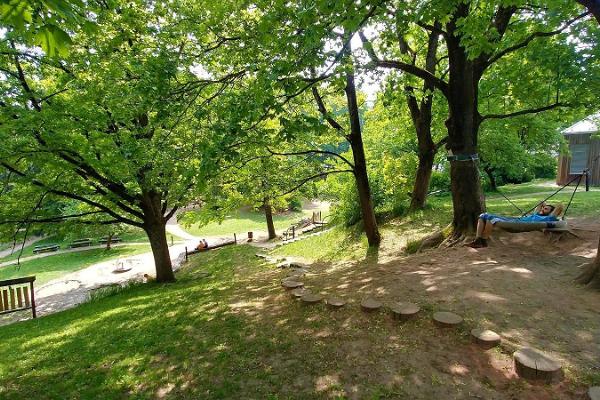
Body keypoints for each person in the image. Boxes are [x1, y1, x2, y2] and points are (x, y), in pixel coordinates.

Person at [468, 202, 563, 248]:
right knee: (482, 216)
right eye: (543, 208)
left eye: (546, 209)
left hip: (520, 224)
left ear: (551, 213)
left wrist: (552, 209)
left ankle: (483, 241)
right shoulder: (537, 214)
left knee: (490, 218)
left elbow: (560, 206)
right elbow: (541, 203)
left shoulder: (549, 218)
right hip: (516, 220)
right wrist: (544, 205)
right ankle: (478, 239)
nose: (542, 209)